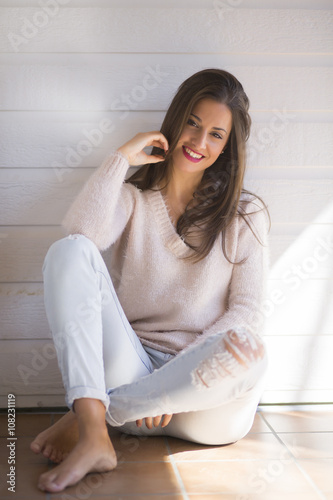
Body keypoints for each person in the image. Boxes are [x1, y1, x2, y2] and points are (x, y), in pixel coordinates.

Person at [30, 68, 269, 493]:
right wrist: (119, 158)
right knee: (66, 251)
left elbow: (247, 312)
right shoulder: (132, 199)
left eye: (216, 134)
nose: (198, 142)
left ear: (228, 147)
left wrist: (167, 389)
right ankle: (96, 431)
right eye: (193, 123)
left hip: (203, 400)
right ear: (175, 120)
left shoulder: (245, 216)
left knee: (251, 351)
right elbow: (80, 240)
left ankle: (94, 418)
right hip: (133, 369)